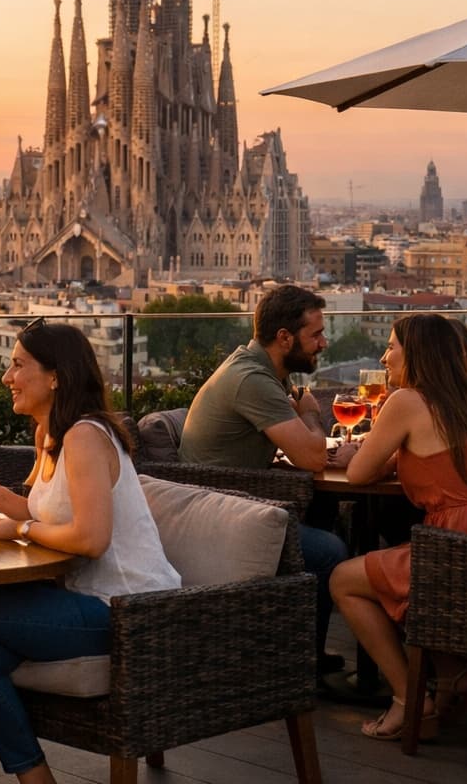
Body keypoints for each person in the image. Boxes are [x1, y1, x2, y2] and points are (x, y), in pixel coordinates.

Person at [0, 320, 183, 784]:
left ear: (55, 376)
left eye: (17, 365)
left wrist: (20, 528)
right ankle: (36, 779)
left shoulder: (84, 436)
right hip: (86, 600)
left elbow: (90, 538)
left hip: (129, 611)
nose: (6, 377)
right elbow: (48, 514)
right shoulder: (50, 434)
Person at [330, 314, 467, 741]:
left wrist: (368, 455)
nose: (384, 358)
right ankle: (456, 681)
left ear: (416, 355)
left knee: (344, 580)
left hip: (458, 550)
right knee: (403, 579)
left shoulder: (406, 400)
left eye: (391, 347)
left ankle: (410, 699)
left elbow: (359, 474)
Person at [178, 284, 348, 675]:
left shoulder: (264, 371)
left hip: (231, 500)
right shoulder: (253, 379)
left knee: (324, 507)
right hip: (215, 517)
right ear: (284, 338)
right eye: (316, 335)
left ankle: (292, 649)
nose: (323, 344)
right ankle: (305, 664)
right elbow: (310, 456)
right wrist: (310, 413)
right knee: (329, 552)